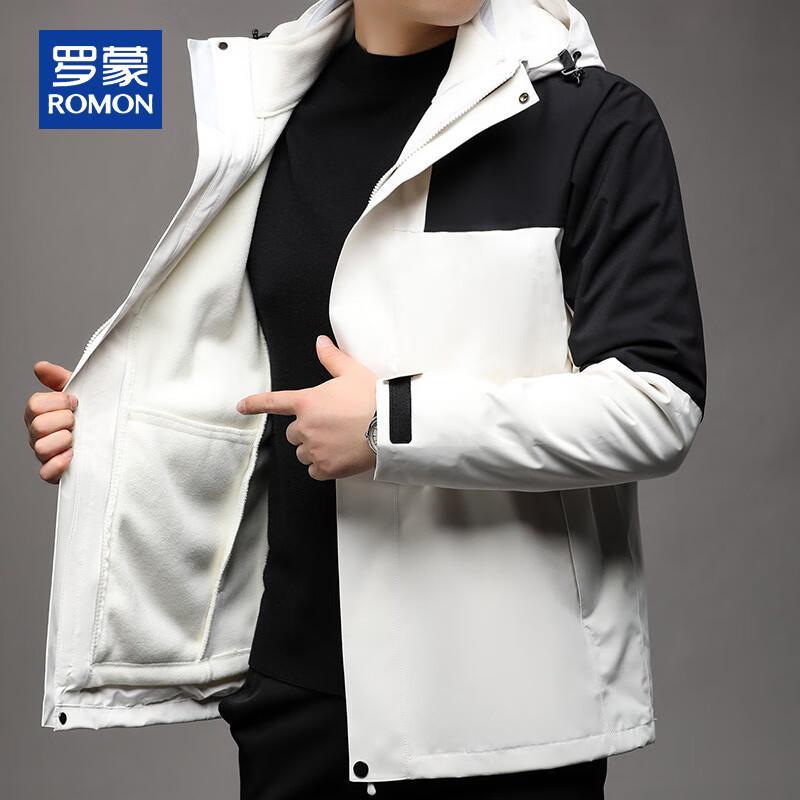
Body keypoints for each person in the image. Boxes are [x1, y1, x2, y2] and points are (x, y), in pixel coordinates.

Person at [24, 1, 706, 798]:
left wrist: (394, 423)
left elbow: (657, 406)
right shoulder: (267, 110)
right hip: (296, 704)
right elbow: (260, 383)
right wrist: (120, 431)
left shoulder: (589, 119)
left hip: (502, 727)